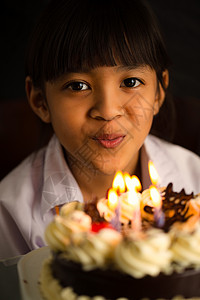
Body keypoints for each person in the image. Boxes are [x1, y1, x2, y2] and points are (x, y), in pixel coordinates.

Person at [0, 0, 199, 260]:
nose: (107, 110)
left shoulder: (193, 178)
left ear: (158, 93)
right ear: (40, 101)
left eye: (130, 82)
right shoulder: (11, 212)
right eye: (77, 86)